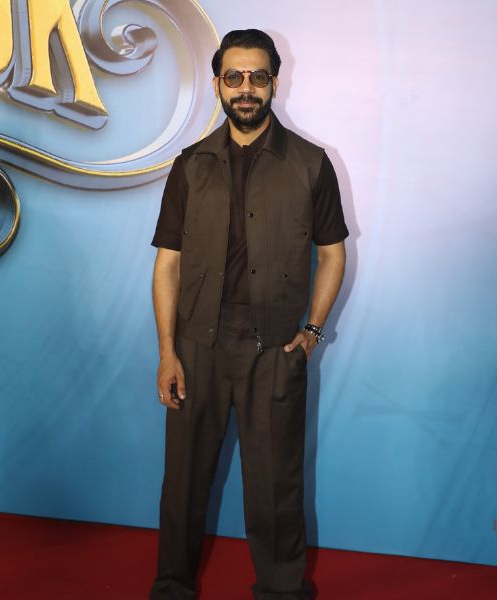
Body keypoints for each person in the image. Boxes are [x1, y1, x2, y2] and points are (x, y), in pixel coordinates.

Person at [149, 29, 348, 600]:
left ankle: (282, 592)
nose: (245, 88)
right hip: (198, 347)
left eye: (257, 77)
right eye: (233, 77)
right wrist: (167, 352)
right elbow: (167, 266)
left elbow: (333, 254)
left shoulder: (311, 164)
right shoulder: (190, 166)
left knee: (276, 489)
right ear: (217, 84)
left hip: (275, 350)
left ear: (274, 84)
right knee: (183, 485)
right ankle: (172, 589)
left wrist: (312, 332)